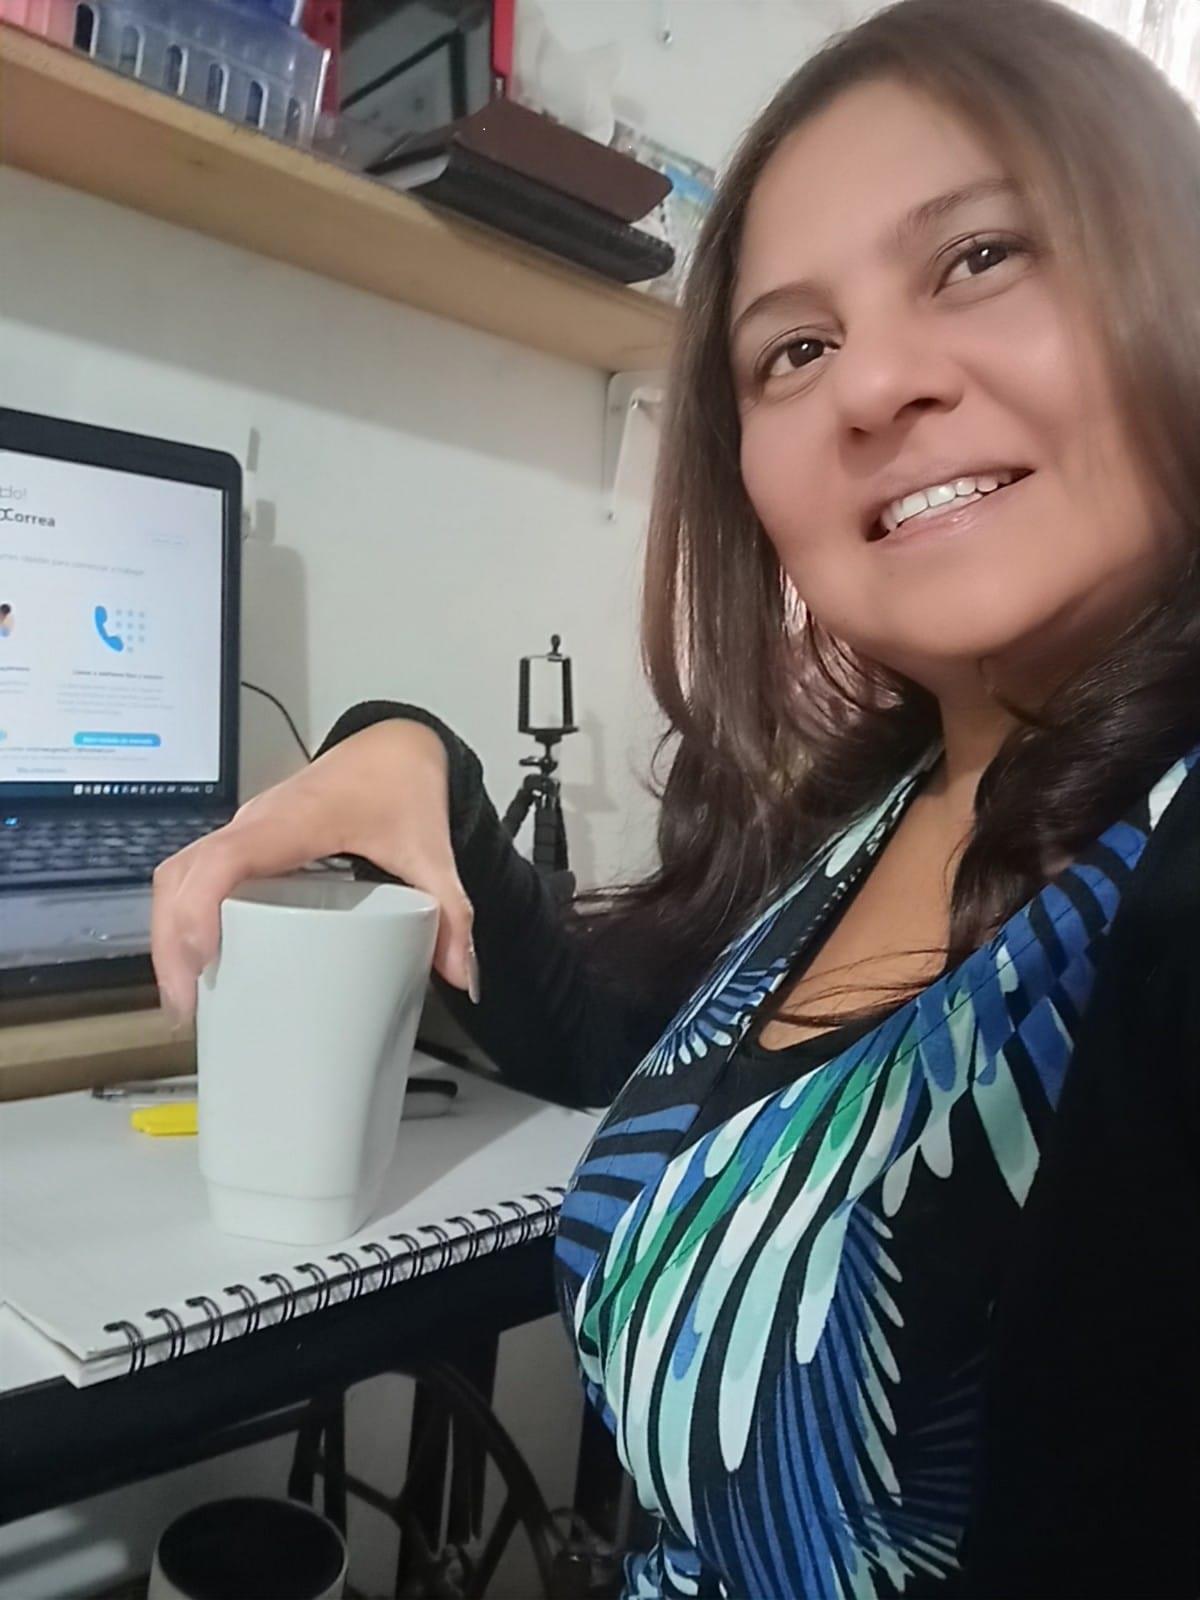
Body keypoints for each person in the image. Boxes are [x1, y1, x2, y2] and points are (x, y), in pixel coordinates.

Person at [152, 0, 1200, 1593]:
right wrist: (410, 755)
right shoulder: (870, 814)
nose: (875, 386)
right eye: (796, 349)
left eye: (980, 256)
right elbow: (619, 1053)